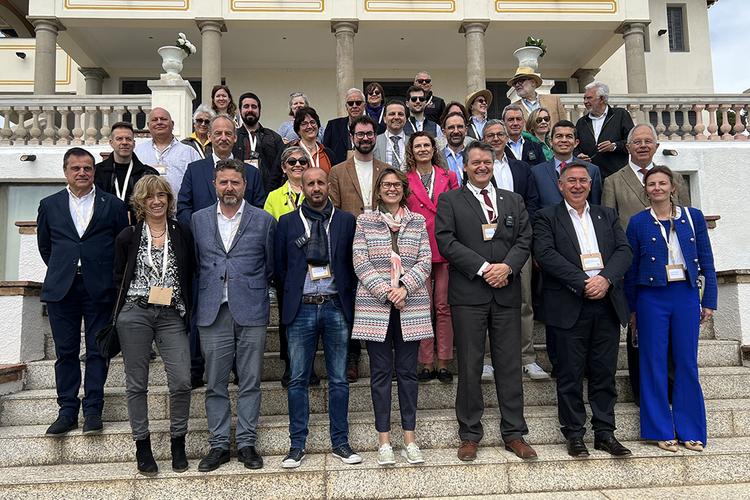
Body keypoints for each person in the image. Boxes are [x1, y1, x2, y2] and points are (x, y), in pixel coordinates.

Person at [435, 141, 537, 462]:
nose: (482, 166)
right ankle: (469, 434)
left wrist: (507, 267)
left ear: (494, 165)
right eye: (475, 162)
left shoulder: (513, 200)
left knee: (509, 365)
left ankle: (514, 433)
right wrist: (483, 269)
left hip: (506, 291)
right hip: (469, 295)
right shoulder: (450, 199)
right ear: (464, 167)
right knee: (469, 364)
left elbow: (525, 237)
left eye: (487, 162)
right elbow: (446, 241)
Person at [533, 163, 633, 458]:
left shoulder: (607, 215)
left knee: (604, 373)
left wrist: (605, 279)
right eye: (571, 181)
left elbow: (624, 251)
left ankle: (605, 433)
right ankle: (574, 434)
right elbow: (545, 254)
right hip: (568, 303)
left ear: (590, 185)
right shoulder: (546, 217)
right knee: (569, 374)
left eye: (583, 181)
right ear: (560, 185)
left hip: (606, 303)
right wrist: (583, 281)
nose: (577, 185)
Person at [37, 147, 129, 436]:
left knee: (97, 351)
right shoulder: (49, 205)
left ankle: (92, 409)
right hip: (62, 288)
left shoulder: (112, 205)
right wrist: (65, 268)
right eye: (75, 168)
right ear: (65, 171)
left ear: (94, 171)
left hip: (99, 288)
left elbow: (120, 246)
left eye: (87, 168)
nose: (82, 173)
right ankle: (66, 410)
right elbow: (46, 246)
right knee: (65, 352)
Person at [625, 165, 717, 453]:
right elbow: (631, 269)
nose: (657, 189)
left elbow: (707, 260)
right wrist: (632, 309)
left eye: (662, 183)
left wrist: (709, 300)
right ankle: (661, 429)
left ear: (673, 187)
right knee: (653, 362)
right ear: (646, 190)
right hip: (651, 297)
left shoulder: (693, 217)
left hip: (686, 295)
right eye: (651, 184)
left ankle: (691, 431)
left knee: (687, 362)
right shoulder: (638, 222)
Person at [192, 159, 275, 472]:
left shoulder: (264, 220)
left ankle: (246, 443)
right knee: (214, 382)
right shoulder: (198, 220)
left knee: (251, 380)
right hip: (212, 310)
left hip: (251, 308)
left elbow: (270, 265)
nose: (229, 188)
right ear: (215, 184)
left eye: (235, 183)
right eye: (224, 182)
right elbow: (195, 263)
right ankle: (218, 445)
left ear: (245, 185)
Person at [275, 168, 362, 469]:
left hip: (336, 306)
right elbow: (279, 268)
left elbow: (353, 265)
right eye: (309, 182)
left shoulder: (346, 221)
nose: (315, 187)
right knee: (298, 379)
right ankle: (297, 444)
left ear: (328, 186)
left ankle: (341, 442)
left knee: (339, 379)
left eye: (320, 182)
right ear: (302, 185)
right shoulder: (287, 223)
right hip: (301, 309)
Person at [113, 175, 194, 475]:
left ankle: (178, 442)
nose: (157, 201)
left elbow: (191, 271)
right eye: (150, 197)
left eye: (162, 195)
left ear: (169, 200)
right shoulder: (128, 235)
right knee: (137, 384)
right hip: (136, 312)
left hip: (171, 313)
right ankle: (142, 445)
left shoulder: (182, 232)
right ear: (141, 202)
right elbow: (118, 277)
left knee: (182, 379)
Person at [603, 124, 690, 402]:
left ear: (655, 145)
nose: (642, 145)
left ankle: (675, 394)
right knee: (638, 333)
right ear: (627, 147)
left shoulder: (673, 178)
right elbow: (609, 228)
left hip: (673, 272)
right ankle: (644, 394)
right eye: (636, 141)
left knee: (675, 341)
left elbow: (685, 221)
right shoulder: (613, 181)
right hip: (633, 269)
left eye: (647, 141)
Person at [352, 167, 433, 466]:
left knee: (409, 374)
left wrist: (405, 288)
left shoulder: (417, 221)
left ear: (404, 188)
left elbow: (425, 261)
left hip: (410, 306)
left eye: (396, 184)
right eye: (385, 185)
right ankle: (384, 440)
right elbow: (360, 262)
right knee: (381, 375)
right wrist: (388, 291)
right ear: (378, 190)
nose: (391, 189)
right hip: (377, 307)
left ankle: (410, 439)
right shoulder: (365, 221)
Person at [481, 120, 546, 380]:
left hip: (519, 244)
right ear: (483, 138)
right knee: (486, 303)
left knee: (524, 302)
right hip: (487, 244)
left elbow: (533, 203)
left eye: (500, 134)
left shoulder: (521, 168)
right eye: (490, 135)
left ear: (508, 137)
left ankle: (527, 357)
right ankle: (487, 360)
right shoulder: (478, 168)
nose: (496, 138)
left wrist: (521, 233)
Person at [328, 115, 388, 381]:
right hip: (348, 244)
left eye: (369, 134)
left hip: (381, 244)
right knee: (348, 302)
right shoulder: (337, 171)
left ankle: (384, 357)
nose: (365, 138)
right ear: (352, 137)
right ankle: (352, 356)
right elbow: (334, 210)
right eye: (360, 134)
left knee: (382, 299)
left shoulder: (386, 170)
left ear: (375, 136)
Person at [404, 132, 458, 382]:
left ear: (433, 148)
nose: (423, 149)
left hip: (446, 246)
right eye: (418, 146)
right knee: (422, 308)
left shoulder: (450, 176)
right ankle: (426, 362)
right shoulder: (405, 180)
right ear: (411, 151)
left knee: (443, 306)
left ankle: (444, 361)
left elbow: (460, 208)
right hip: (418, 250)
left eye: (427, 145)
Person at [264, 146, 320, 388]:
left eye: (302, 161)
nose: (297, 165)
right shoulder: (274, 197)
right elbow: (269, 233)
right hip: (287, 266)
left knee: (313, 319)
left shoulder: (317, 192)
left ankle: (310, 367)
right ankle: (290, 366)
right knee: (289, 319)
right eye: (291, 162)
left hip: (315, 266)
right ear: (283, 167)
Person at [95, 121, 159, 223]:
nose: (124, 142)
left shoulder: (148, 174)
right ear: (111, 143)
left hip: (138, 230)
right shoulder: (97, 172)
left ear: (134, 143)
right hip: (106, 231)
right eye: (119, 139)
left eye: (128, 139)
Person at [532, 120, 603, 209]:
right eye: (559, 136)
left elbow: (596, 206)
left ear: (576, 142)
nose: (564, 140)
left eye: (569, 136)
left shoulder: (592, 170)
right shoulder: (537, 172)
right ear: (551, 141)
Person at [134, 107, 201, 197]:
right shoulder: (138, 151)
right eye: (155, 120)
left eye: (163, 119)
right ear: (148, 125)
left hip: (179, 209)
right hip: (145, 209)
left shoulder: (189, 153)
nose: (159, 122)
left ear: (172, 124)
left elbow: (199, 183)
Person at [575, 81, 634, 178]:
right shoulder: (581, 122)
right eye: (584, 98)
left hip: (616, 177)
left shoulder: (620, 115)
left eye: (589, 98)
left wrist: (614, 146)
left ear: (602, 99)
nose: (585, 102)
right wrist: (579, 155)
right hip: (589, 177)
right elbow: (575, 146)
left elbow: (632, 142)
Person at [233, 91, 285, 194]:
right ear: (240, 110)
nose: (250, 110)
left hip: (268, 192)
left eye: (254, 107)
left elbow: (282, 167)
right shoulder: (233, 137)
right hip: (238, 192)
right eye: (246, 106)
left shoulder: (273, 138)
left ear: (259, 110)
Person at [275, 106, 334, 175]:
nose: (309, 126)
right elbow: (275, 179)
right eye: (304, 124)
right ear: (298, 129)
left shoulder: (328, 153)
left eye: (312, 122)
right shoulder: (287, 151)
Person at [323, 88, 367, 165]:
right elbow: (325, 152)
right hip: (339, 172)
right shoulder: (333, 126)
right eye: (350, 103)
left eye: (358, 103)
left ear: (364, 105)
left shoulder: (375, 127)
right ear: (346, 106)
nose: (354, 106)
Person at [440, 111, 474, 186]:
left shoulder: (474, 156)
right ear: (444, 132)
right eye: (451, 127)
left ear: (466, 130)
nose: (456, 131)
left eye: (460, 127)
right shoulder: (436, 159)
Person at [373, 99, 408, 170]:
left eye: (400, 114)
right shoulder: (374, 141)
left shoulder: (413, 142)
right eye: (392, 114)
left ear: (405, 119)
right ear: (385, 119)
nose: (396, 117)